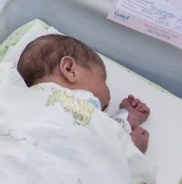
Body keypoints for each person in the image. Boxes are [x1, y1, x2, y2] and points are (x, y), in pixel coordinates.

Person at [15, 34, 152, 152]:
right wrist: (132, 147)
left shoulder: (22, 100)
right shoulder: (80, 100)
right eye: (102, 78)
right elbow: (107, 146)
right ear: (70, 70)